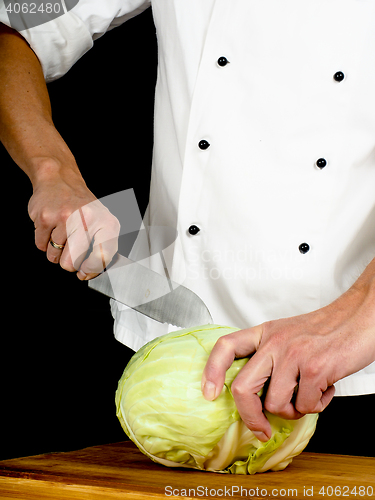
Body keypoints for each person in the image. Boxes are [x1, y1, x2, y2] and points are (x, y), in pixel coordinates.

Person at [1, 1, 375, 451]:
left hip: (354, 371)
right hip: (172, 379)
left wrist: (353, 323)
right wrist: (53, 173)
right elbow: (15, 26)